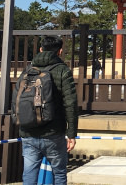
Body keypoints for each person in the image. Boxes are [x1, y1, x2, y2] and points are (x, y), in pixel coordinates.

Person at [17, 35, 79, 185]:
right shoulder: (62, 70)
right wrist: (71, 134)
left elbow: (18, 99)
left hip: (28, 130)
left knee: (29, 172)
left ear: (40, 49)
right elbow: (70, 103)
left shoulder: (28, 70)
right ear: (60, 51)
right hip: (53, 132)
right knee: (59, 172)